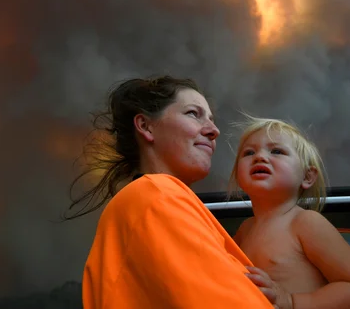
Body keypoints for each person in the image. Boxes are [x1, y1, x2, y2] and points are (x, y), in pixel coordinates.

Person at [65, 76, 274, 308]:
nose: (214, 131)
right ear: (146, 126)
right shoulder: (156, 194)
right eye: (193, 114)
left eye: (212, 120)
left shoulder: (151, 198)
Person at [229, 115, 350, 309]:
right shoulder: (244, 230)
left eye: (276, 151)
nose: (260, 156)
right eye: (249, 152)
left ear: (307, 176)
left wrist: (292, 301)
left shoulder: (306, 222)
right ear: (238, 174)